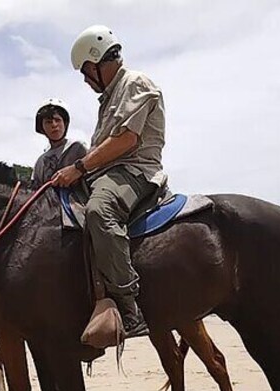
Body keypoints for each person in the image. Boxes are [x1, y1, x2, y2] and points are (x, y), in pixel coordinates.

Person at [51, 25, 166, 337]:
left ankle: (129, 305)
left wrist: (78, 166)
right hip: (105, 174)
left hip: (134, 171)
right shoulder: (108, 98)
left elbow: (126, 140)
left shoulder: (135, 82)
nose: (87, 81)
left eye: (86, 73)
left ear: (97, 62)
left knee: (99, 211)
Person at [30, 98, 86, 188]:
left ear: (65, 123)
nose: (54, 125)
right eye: (48, 122)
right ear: (42, 128)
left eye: (58, 120)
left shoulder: (77, 148)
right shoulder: (40, 162)